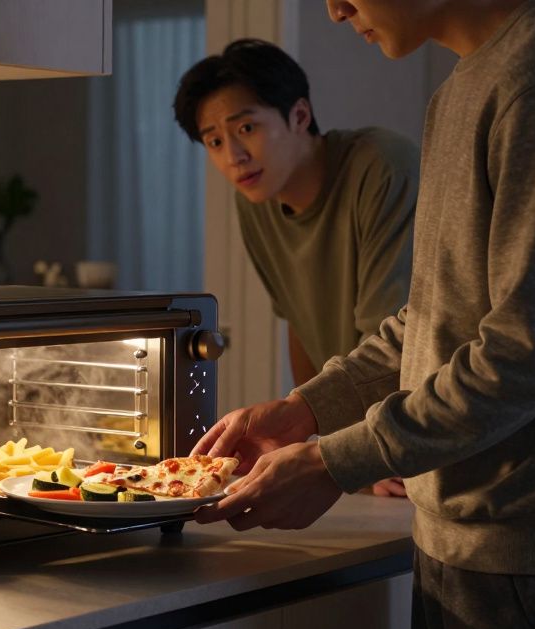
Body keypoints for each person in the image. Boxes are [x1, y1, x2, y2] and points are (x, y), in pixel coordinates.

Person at [193, 1, 535, 629]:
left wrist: (333, 461)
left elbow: (527, 355)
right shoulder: (465, 87)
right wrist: (305, 412)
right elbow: (434, 319)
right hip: (467, 538)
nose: (334, 6)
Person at [174, 38, 418, 497]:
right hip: (356, 435)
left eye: (246, 128)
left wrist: (365, 447)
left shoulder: (382, 167)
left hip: (415, 428)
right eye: (215, 141)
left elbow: (400, 332)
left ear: (300, 115)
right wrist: (312, 433)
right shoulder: (255, 201)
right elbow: (298, 320)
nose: (233, 156)